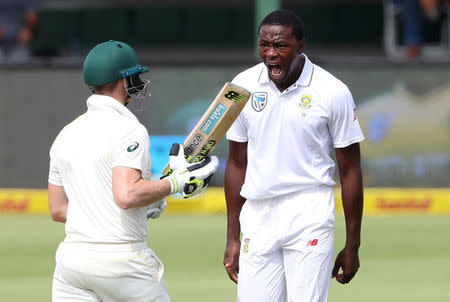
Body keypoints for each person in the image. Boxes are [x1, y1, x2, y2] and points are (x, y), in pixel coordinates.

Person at [48, 40, 218, 302]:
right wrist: (176, 182)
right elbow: (127, 194)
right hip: (121, 262)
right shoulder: (129, 129)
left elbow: (58, 210)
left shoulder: (66, 134)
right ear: (124, 80)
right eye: (135, 75)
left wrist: (143, 206)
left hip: (71, 263)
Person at [223, 10, 364, 302]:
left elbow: (350, 170)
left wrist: (353, 244)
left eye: (280, 46)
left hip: (309, 212)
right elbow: (237, 163)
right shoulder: (240, 87)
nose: (271, 54)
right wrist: (232, 236)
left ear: (300, 46)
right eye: (264, 45)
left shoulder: (333, 91)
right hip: (258, 215)